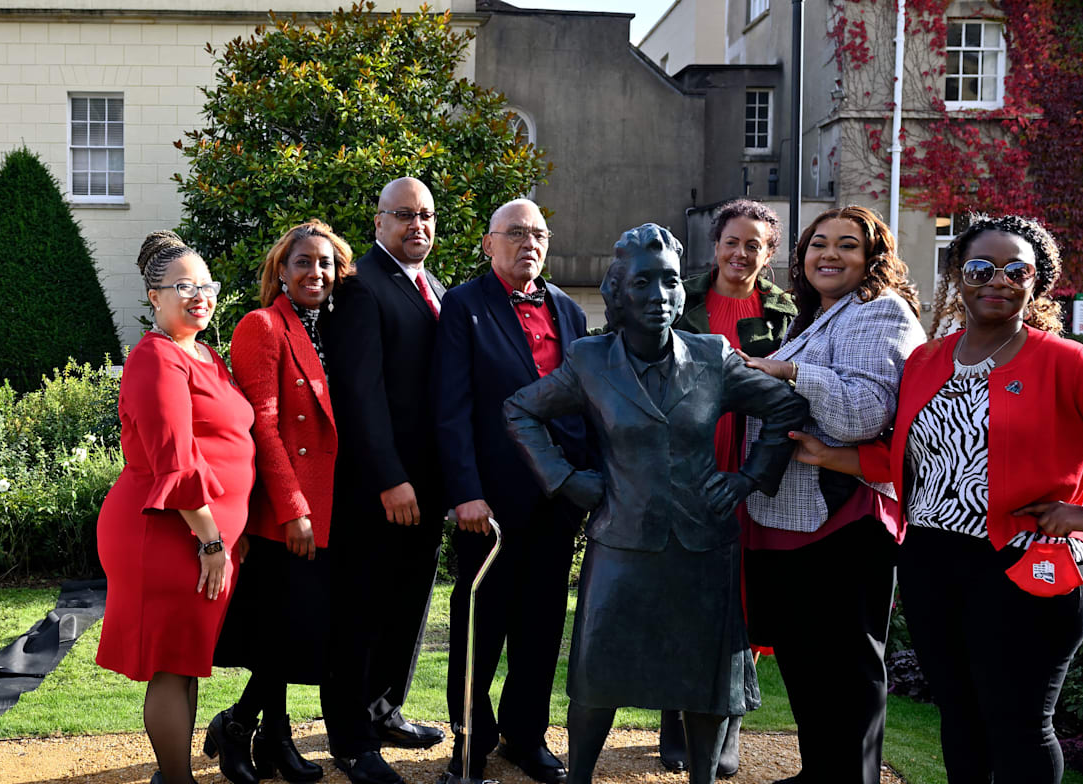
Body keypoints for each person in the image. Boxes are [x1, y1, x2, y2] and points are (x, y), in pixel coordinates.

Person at [789, 214, 1083, 784]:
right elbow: (909, 460)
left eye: (1016, 269)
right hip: (932, 566)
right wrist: (830, 456)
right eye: (980, 267)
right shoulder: (928, 360)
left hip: (1026, 567)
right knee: (962, 721)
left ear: (1037, 281)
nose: (997, 279)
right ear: (956, 275)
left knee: (1018, 726)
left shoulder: (1066, 362)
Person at [503, 224, 809, 784]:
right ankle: (580, 779)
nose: (659, 297)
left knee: (706, 680)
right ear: (618, 291)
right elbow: (521, 411)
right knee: (597, 678)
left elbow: (785, 408)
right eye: (642, 283)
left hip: (705, 544)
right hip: (621, 542)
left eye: (670, 282)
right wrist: (566, 479)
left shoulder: (713, 355)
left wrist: (747, 479)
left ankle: (702, 777)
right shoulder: (591, 361)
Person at [739, 205, 925, 784]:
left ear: (873, 258)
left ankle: (850, 777)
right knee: (804, 662)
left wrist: (789, 373)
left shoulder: (881, 313)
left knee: (847, 668)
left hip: (844, 516)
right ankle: (821, 771)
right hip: (790, 518)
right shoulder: (814, 318)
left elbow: (864, 413)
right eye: (818, 243)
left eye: (848, 245)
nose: (829, 254)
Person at [431, 198, 589, 784]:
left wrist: (587, 481)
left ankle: (526, 736)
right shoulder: (464, 306)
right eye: (516, 232)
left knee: (543, 625)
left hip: (558, 500)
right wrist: (465, 491)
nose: (530, 243)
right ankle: (469, 743)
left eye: (539, 234)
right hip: (489, 505)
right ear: (488, 243)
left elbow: (586, 402)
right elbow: (451, 407)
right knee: (481, 626)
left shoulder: (569, 310)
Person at [95, 231, 256, 784]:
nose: (198, 295)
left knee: (186, 660)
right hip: (166, 534)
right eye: (182, 286)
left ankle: (173, 774)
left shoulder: (206, 355)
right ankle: (177, 780)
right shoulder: (156, 360)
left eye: (205, 285)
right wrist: (212, 540)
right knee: (169, 664)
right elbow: (176, 461)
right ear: (153, 297)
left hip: (203, 535)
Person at [206, 220, 356, 784]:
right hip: (284, 510)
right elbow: (261, 428)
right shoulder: (262, 325)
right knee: (281, 632)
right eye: (303, 263)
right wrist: (294, 507)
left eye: (325, 263)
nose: (315, 272)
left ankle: (268, 735)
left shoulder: (335, 327)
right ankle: (244, 728)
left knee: (296, 633)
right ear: (281, 272)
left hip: (334, 504)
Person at [659, 198, 795, 776]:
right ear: (714, 244)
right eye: (732, 242)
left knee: (738, 604)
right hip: (684, 465)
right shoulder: (677, 298)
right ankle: (675, 728)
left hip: (750, 468)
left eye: (755, 245)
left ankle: (726, 729)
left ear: (770, 253)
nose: (741, 254)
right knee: (680, 596)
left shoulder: (785, 311)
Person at [320, 177, 449, 784]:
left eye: (425, 215)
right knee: (361, 612)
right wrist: (391, 479)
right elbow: (360, 394)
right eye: (403, 215)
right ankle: (349, 741)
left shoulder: (433, 286)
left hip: (428, 487)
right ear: (378, 223)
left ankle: (383, 711)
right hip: (378, 489)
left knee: (408, 606)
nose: (415, 225)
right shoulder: (359, 288)